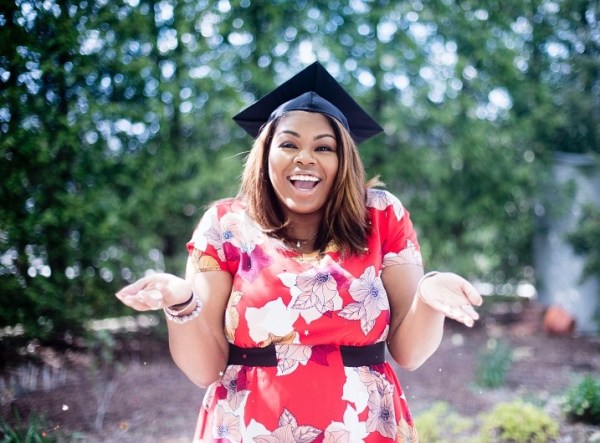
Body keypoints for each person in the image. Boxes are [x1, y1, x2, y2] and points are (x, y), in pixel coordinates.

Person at [115, 61, 483, 442]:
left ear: (343, 160)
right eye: (289, 144)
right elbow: (205, 369)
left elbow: (410, 353)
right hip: (250, 429)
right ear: (265, 153)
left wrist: (428, 296)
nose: (305, 157)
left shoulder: (381, 215)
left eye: (323, 147)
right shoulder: (225, 226)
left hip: (363, 428)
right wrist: (181, 302)